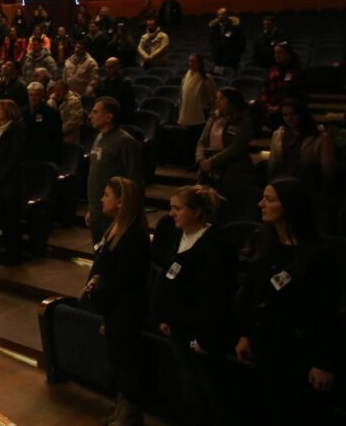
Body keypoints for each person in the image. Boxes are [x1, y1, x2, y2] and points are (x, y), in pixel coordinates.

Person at [236, 178, 340, 424]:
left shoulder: (317, 256)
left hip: (297, 351)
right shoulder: (264, 243)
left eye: (269, 199)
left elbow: (326, 312)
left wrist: (322, 362)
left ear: (290, 206)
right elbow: (251, 293)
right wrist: (245, 334)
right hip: (265, 345)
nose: (261, 204)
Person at [150, 185, 237, 426]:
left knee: (210, 389)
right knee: (189, 386)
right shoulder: (177, 234)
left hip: (203, 332)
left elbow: (216, 295)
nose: (171, 214)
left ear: (198, 212)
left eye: (178, 208)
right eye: (171, 208)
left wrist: (204, 336)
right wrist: (166, 317)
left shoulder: (215, 243)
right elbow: (170, 277)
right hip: (180, 325)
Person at [81, 177, 150, 426]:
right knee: (118, 360)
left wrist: (100, 286)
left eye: (107, 195)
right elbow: (107, 266)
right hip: (114, 306)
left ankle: (131, 412)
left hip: (127, 308)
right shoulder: (115, 228)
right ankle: (122, 406)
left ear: (120, 202)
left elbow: (125, 279)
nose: (102, 199)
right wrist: (97, 277)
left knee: (127, 362)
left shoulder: (133, 236)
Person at [86, 97, 143, 246]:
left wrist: (124, 216)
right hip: (98, 211)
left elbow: (134, 182)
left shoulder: (126, 142)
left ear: (108, 117)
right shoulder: (98, 137)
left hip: (115, 215)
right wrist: (92, 209)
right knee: (99, 254)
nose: (90, 115)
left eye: (95, 112)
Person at [0, 99, 28, 265]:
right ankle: (5, 250)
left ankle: (14, 254)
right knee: (3, 219)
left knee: (11, 221)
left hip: (11, 184)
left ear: (8, 112)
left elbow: (13, 160)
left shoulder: (17, 132)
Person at [269, 100, 336, 193]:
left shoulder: (320, 138)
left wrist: (323, 192)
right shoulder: (278, 135)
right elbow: (273, 164)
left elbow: (328, 169)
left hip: (306, 187)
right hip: (282, 184)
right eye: (285, 115)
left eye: (293, 114)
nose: (289, 118)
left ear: (302, 114)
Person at [195, 88, 255, 186]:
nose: (217, 101)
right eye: (217, 98)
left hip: (233, 168)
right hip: (208, 166)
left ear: (232, 101)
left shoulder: (243, 121)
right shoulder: (213, 118)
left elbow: (237, 147)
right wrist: (201, 159)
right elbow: (201, 141)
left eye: (221, 98)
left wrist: (212, 162)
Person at [259, 43, 308, 132]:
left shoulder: (297, 71)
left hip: (290, 113)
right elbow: (264, 90)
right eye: (275, 53)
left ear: (288, 54)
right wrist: (267, 105)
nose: (276, 56)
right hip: (272, 111)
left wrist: (280, 106)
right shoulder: (273, 70)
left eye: (279, 53)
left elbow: (297, 94)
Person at [177, 53, 218, 141]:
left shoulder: (206, 78)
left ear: (200, 63)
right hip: (189, 111)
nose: (191, 64)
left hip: (202, 111)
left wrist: (213, 109)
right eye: (190, 61)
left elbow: (214, 95)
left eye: (194, 62)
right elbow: (182, 94)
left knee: (199, 138)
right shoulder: (186, 76)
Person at [23, 82, 63, 163]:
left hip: (45, 156)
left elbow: (56, 139)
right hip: (26, 155)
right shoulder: (23, 112)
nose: (32, 98)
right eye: (30, 95)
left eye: (36, 95)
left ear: (42, 96)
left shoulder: (52, 113)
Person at [94, 58, 136, 124]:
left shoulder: (125, 83)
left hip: (121, 117)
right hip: (106, 115)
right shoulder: (104, 83)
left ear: (118, 67)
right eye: (106, 67)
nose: (108, 70)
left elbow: (129, 105)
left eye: (111, 67)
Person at [209, 8, 246, 75]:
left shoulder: (234, 27)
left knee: (231, 75)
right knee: (219, 77)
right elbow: (212, 42)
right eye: (218, 14)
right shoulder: (214, 27)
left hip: (232, 59)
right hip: (218, 59)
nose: (220, 16)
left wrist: (237, 56)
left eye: (222, 14)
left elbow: (242, 42)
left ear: (227, 15)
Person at [48, 79, 84, 145]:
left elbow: (73, 122)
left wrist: (58, 132)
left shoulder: (75, 102)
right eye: (55, 90)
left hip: (69, 139)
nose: (56, 93)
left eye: (59, 90)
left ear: (66, 90)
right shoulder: (51, 101)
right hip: (53, 137)